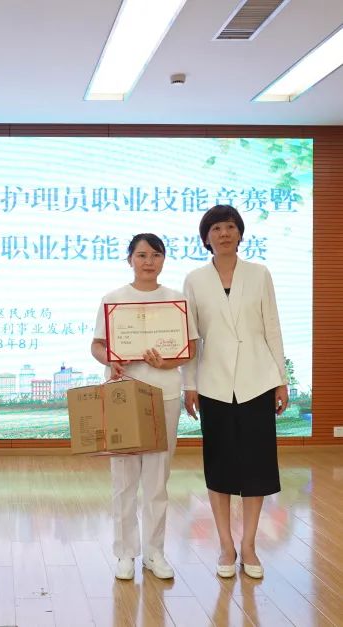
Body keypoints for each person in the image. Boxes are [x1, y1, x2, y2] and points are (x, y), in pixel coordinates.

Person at [182, 205, 288, 580]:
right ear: (206, 238)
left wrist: (281, 378)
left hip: (258, 380)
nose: (224, 233)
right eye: (216, 228)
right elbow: (191, 337)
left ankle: (250, 545)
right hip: (213, 383)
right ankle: (226, 545)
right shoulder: (195, 280)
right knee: (220, 465)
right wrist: (190, 384)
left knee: (258, 466)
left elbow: (272, 326)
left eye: (230, 227)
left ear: (240, 233)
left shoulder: (259, 274)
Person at [91, 233, 197, 580]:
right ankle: (125, 553)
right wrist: (111, 360)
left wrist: (168, 363)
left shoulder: (176, 300)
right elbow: (97, 345)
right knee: (123, 479)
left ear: (163, 259)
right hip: (124, 396)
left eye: (155, 255)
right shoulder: (113, 299)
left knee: (157, 479)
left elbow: (190, 349)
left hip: (164, 395)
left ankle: (155, 553)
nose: (148, 261)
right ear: (130, 260)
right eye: (141, 255)